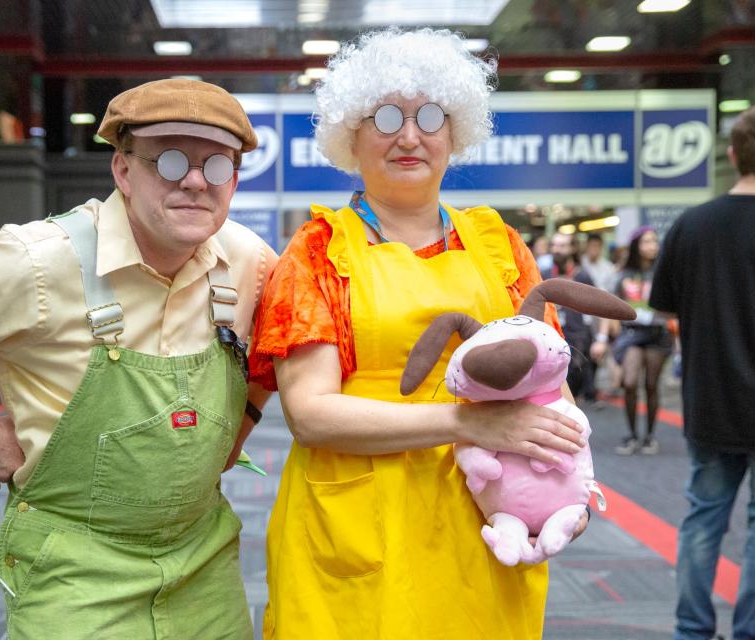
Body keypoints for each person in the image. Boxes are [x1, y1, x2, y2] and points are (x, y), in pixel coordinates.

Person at [0, 78, 276, 638]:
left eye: (217, 166)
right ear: (123, 169)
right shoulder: (39, 262)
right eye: (168, 160)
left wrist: (247, 418)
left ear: (234, 180)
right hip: (75, 571)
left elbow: (284, 344)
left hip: (205, 563)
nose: (194, 181)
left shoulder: (248, 260)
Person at [249, 28, 587, 639]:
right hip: (356, 525)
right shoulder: (319, 252)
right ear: (351, 135)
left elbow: (549, 383)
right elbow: (310, 413)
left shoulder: (499, 245)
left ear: (455, 131)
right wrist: (467, 423)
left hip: (486, 520)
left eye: (429, 115)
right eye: (384, 117)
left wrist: (574, 482)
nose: (409, 135)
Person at [650, 102, 755, 640]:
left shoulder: (693, 225)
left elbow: (665, 308)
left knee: (702, 518)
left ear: (732, 153)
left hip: (710, 397)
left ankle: (692, 629)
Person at [609, 226, 672, 455]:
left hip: (658, 334)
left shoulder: (663, 273)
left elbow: (675, 304)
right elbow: (613, 304)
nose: (651, 245)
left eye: (654, 241)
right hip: (632, 335)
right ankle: (632, 434)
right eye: (646, 241)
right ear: (636, 246)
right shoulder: (623, 275)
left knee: (652, 384)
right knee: (630, 382)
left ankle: (650, 436)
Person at [546, 232, 598, 402]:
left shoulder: (582, 276)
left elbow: (596, 307)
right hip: (549, 338)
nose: (557, 250)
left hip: (577, 340)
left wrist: (601, 338)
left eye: (562, 246)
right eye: (554, 245)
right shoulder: (544, 274)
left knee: (573, 391)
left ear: (572, 248)